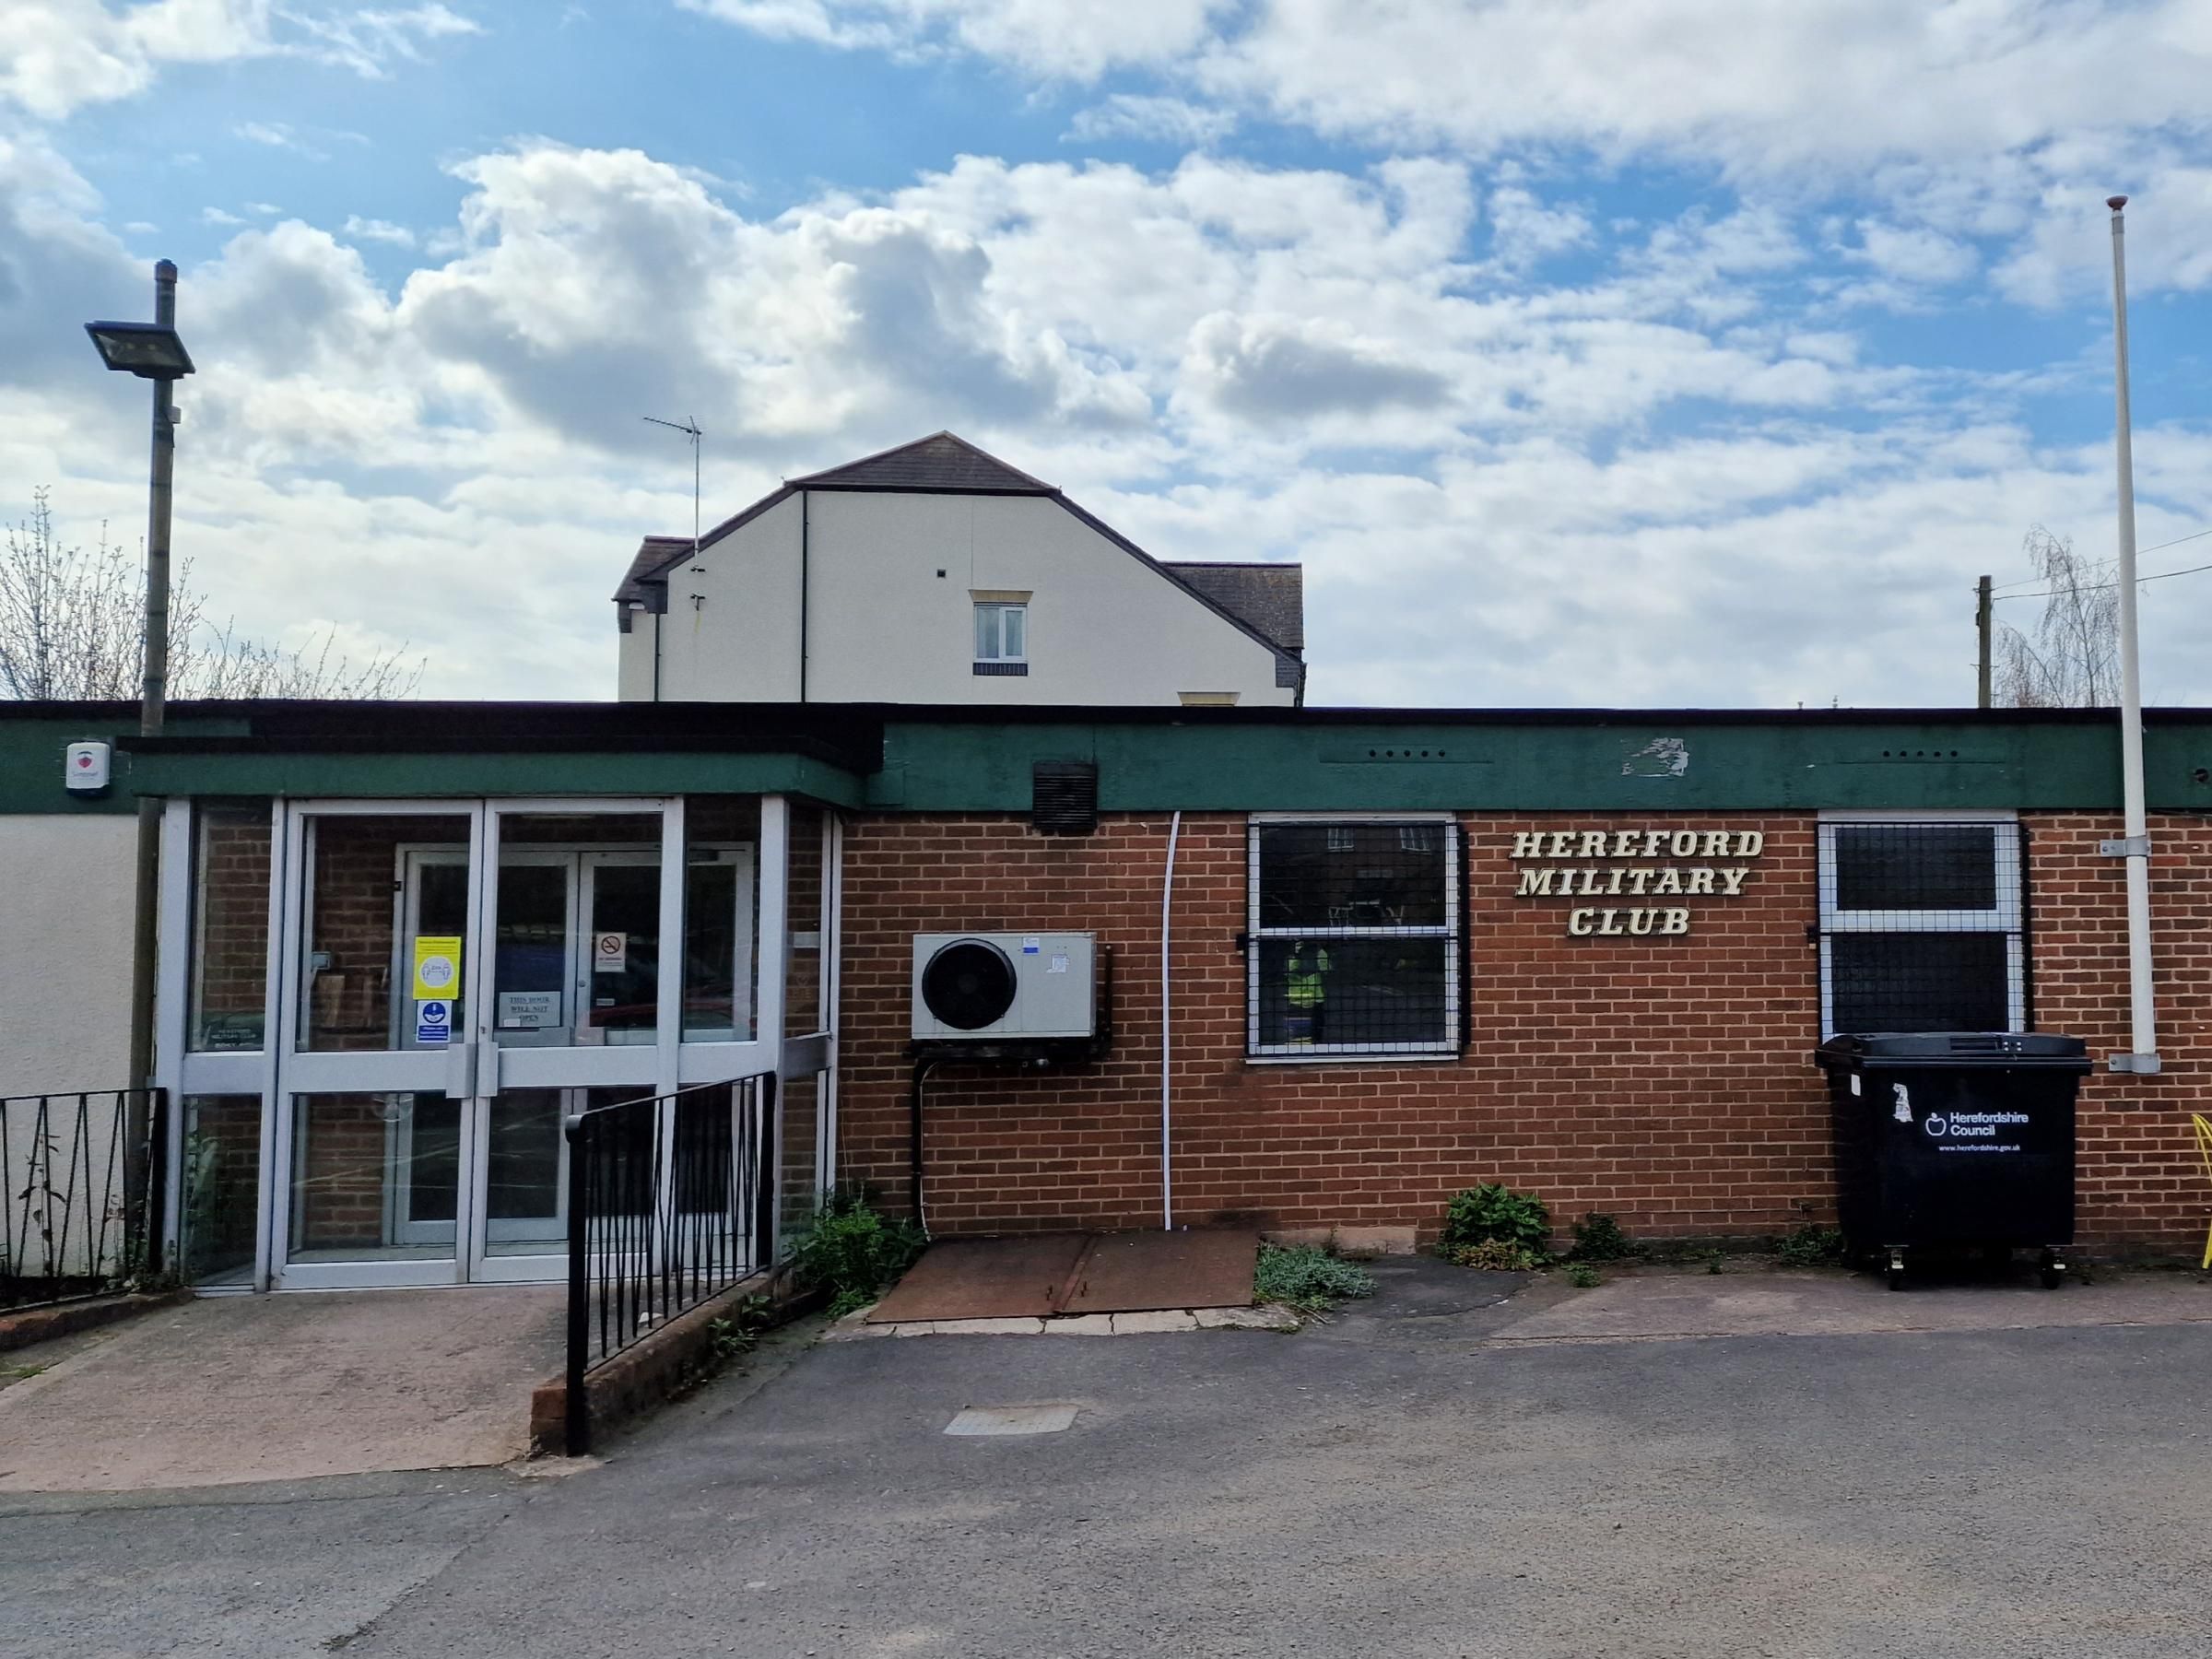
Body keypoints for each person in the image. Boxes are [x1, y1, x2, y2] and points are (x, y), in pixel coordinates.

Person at [1284, 939, 1329, 1043]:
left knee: (1317, 1034)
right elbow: (1292, 972)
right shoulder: (1292, 957)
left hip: (1316, 1001)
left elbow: (1326, 970)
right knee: (1298, 1037)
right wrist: (1299, 956)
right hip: (1298, 1001)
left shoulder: (1320, 953)